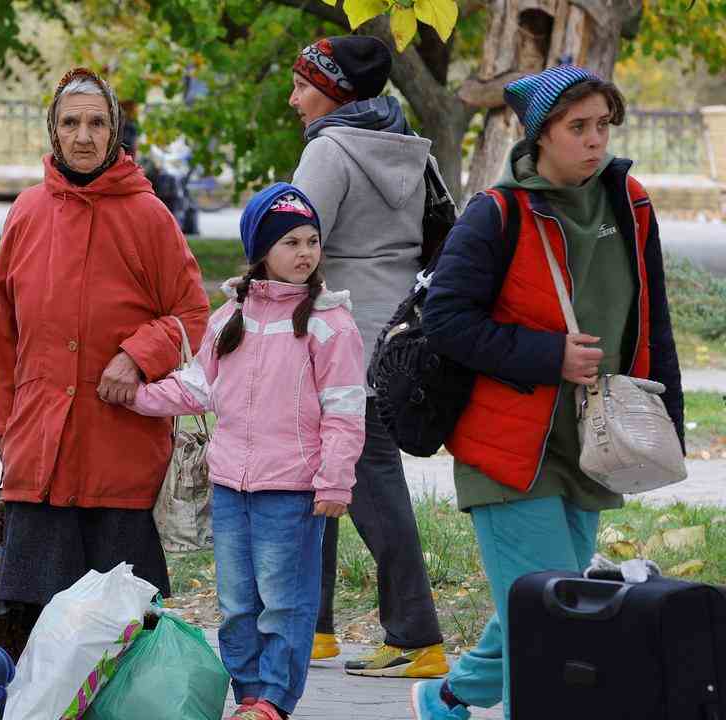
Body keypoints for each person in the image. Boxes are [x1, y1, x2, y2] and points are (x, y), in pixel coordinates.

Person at [410, 66, 684, 720]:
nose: (596, 141)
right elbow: (444, 320)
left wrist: (669, 416)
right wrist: (547, 355)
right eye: (577, 127)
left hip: (591, 442)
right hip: (507, 449)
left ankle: (447, 697)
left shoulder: (630, 202)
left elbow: (654, 315)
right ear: (540, 136)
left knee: (541, 602)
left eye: (603, 126)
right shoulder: (497, 213)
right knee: (561, 623)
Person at [122, 184, 366, 720]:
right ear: (259, 252)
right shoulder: (228, 318)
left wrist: (335, 481)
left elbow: (346, 413)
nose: (304, 253)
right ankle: (248, 696)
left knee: (284, 604)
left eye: (311, 241)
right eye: (289, 243)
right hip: (232, 487)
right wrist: (134, 396)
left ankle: (274, 699)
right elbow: (196, 388)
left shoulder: (330, 325)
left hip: (295, 492)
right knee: (237, 606)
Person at [0, 67, 210, 645]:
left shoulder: (149, 215)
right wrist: (6, 424)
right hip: (40, 447)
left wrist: (138, 355)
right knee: (36, 625)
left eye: (96, 123)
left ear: (114, 132)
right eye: (70, 123)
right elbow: (2, 330)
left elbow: (192, 314)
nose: (82, 135)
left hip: (119, 447)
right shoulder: (28, 211)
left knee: (122, 626)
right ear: (53, 132)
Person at [288, 34, 448, 677]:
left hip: (341, 336)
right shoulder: (410, 148)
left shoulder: (329, 150)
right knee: (321, 472)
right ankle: (316, 626)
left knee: (368, 483)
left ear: (334, 91)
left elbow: (293, 242)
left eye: (304, 84)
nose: (294, 97)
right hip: (397, 335)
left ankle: (418, 636)